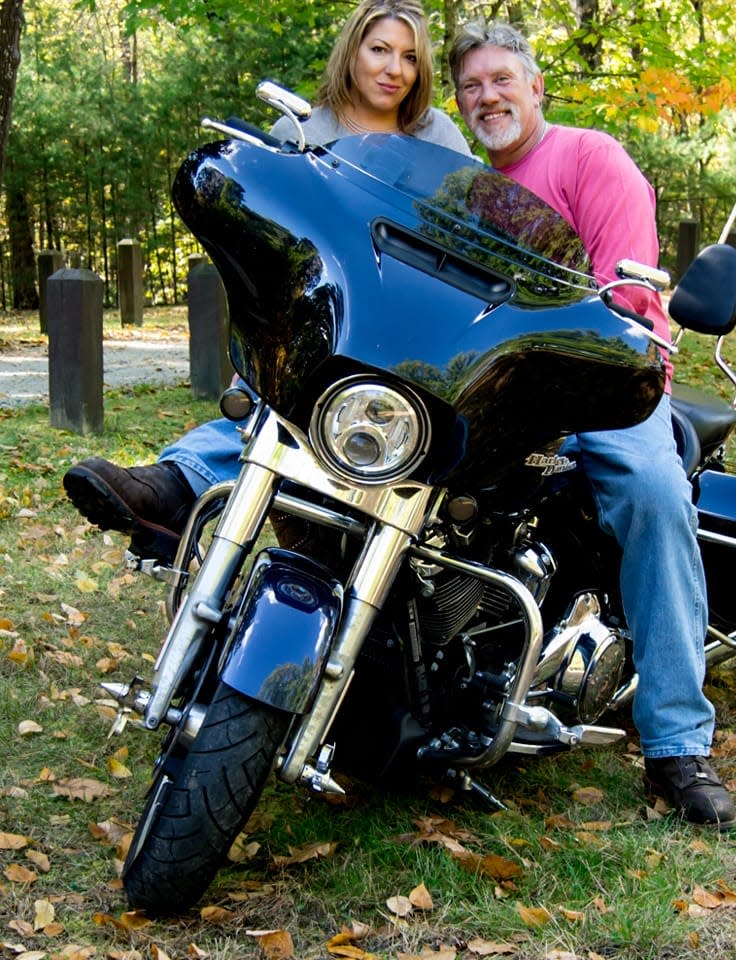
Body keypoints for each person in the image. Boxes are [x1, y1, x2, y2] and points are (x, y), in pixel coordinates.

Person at [64, 19, 736, 829]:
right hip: (474, 384)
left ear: (536, 87)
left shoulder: (593, 159)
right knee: (319, 407)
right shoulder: (454, 177)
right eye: (473, 85)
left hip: (591, 388)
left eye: (503, 79)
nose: (488, 95)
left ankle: (676, 744)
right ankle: (205, 515)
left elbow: (631, 302)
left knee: (655, 494)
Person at [63, 0, 471, 562]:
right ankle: (173, 487)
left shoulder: (437, 137)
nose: (393, 69)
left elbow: (468, 237)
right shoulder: (305, 126)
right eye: (379, 50)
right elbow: (266, 245)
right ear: (352, 50)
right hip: (319, 318)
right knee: (269, 407)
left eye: (408, 57)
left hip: (406, 329)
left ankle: (181, 491)